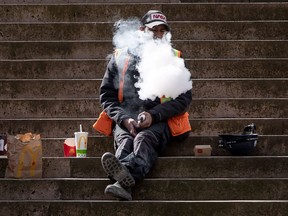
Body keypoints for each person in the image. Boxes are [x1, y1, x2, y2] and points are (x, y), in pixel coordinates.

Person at [99, 10, 192, 201]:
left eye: (162, 31)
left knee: (143, 139)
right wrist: (124, 119)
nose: (158, 35)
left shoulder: (174, 58)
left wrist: (154, 115)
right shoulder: (120, 58)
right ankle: (125, 182)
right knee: (126, 141)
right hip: (126, 118)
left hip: (160, 120)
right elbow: (107, 96)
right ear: (142, 30)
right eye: (153, 30)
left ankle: (122, 180)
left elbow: (183, 99)